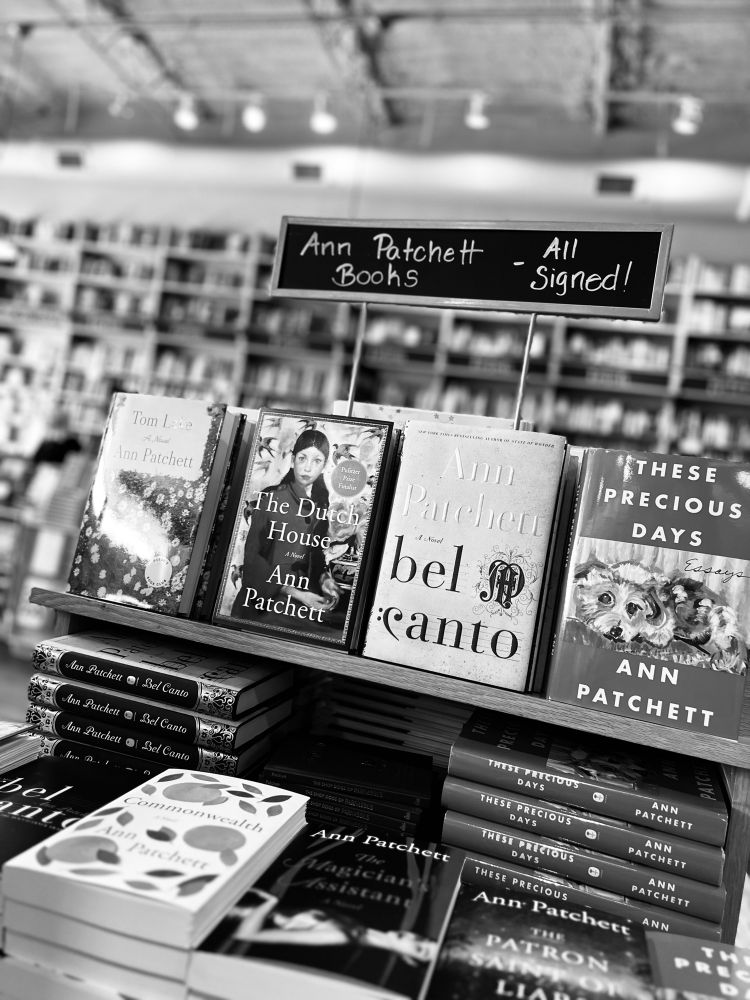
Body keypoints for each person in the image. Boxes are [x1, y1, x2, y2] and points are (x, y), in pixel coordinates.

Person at [231, 427, 340, 622]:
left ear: (324, 466)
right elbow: (252, 558)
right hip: (266, 597)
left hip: (305, 595)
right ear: (292, 460)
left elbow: (315, 555)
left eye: (317, 461)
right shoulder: (271, 497)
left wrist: (325, 580)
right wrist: (296, 594)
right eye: (302, 458)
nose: (308, 468)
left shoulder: (321, 504)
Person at [224, 888, 437, 966]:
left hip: (231, 914)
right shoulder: (355, 925)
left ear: (408, 959)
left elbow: (246, 933)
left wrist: (269, 903)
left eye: (420, 949)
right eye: (425, 939)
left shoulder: (339, 937)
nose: (414, 939)